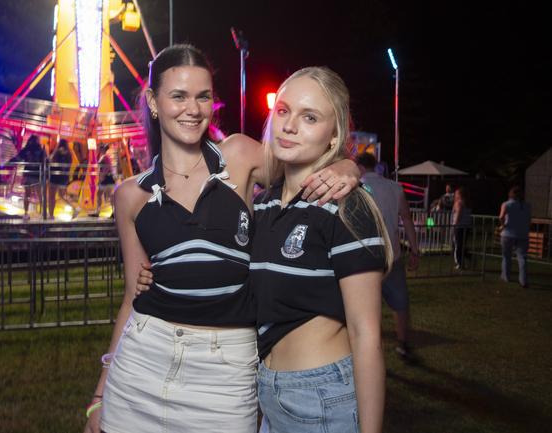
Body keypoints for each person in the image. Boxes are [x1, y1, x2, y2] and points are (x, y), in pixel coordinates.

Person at [83, 45, 361, 433]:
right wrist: (99, 395)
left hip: (225, 370)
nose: (192, 109)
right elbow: (133, 295)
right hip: (143, 361)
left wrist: (348, 164)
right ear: (153, 102)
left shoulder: (239, 156)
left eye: (203, 96)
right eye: (178, 96)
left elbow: (309, 156)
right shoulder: (131, 195)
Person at [251, 67, 391, 433]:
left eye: (309, 117)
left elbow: (366, 333)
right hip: (268, 394)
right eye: (283, 111)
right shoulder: (262, 205)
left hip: (323, 397)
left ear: (333, 138)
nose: (290, 125)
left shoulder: (348, 206)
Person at [357, 152, 420, 362]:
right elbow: (407, 219)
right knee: (400, 303)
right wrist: (415, 249)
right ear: (375, 166)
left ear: (360, 167)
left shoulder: (357, 186)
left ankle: (370, 349)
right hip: (392, 254)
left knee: (367, 307)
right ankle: (403, 344)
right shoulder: (395, 188)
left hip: (365, 256)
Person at [499, 186, 531, 287]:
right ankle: (523, 280)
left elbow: (501, 217)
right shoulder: (527, 205)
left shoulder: (507, 204)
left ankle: (506, 276)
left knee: (506, 256)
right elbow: (529, 219)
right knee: (522, 258)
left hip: (508, 234)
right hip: (523, 234)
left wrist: (503, 226)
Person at [9, 135, 46, 220]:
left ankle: (26, 213)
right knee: (40, 194)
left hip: (28, 174)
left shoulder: (27, 149)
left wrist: (8, 163)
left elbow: (17, 158)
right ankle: (43, 213)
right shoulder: (40, 150)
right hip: (37, 175)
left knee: (27, 195)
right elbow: (45, 162)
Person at [48, 138, 73, 219]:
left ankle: (51, 215)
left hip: (55, 177)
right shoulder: (69, 154)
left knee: (51, 196)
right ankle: (75, 207)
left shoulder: (57, 152)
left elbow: (50, 160)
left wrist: (55, 150)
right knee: (62, 195)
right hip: (64, 178)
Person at [91, 144, 116, 217]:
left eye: (100, 148)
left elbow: (108, 167)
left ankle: (113, 211)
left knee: (108, 195)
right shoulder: (103, 157)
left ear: (102, 149)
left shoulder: (105, 157)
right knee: (100, 194)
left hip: (106, 178)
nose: (98, 149)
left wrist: (102, 176)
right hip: (106, 178)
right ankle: (98, 211)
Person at [452, 186, 472, 269]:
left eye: (456, 193)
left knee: (457, 245)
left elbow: (458, 214)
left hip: (459, 226)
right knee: (461, 244)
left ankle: (460, 263)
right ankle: (468, 257)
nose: (455, 195)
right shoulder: (468, 203)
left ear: (459, 195)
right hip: (466, 226)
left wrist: (455, 224)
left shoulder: (459, 203)